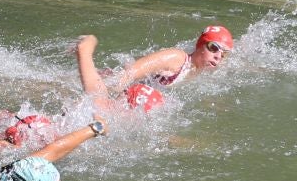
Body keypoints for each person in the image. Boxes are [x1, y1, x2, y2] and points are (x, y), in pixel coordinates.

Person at [74, 29, 231, 116]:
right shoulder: (175, 58)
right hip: (128, 88)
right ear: (200, 45)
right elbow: (133, 71)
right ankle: (86, 48)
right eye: (213, 47)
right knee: (99, 105)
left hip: (141, 96)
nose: (218, 56)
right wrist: (114, 87)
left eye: (223, 54)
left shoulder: (204, 69)